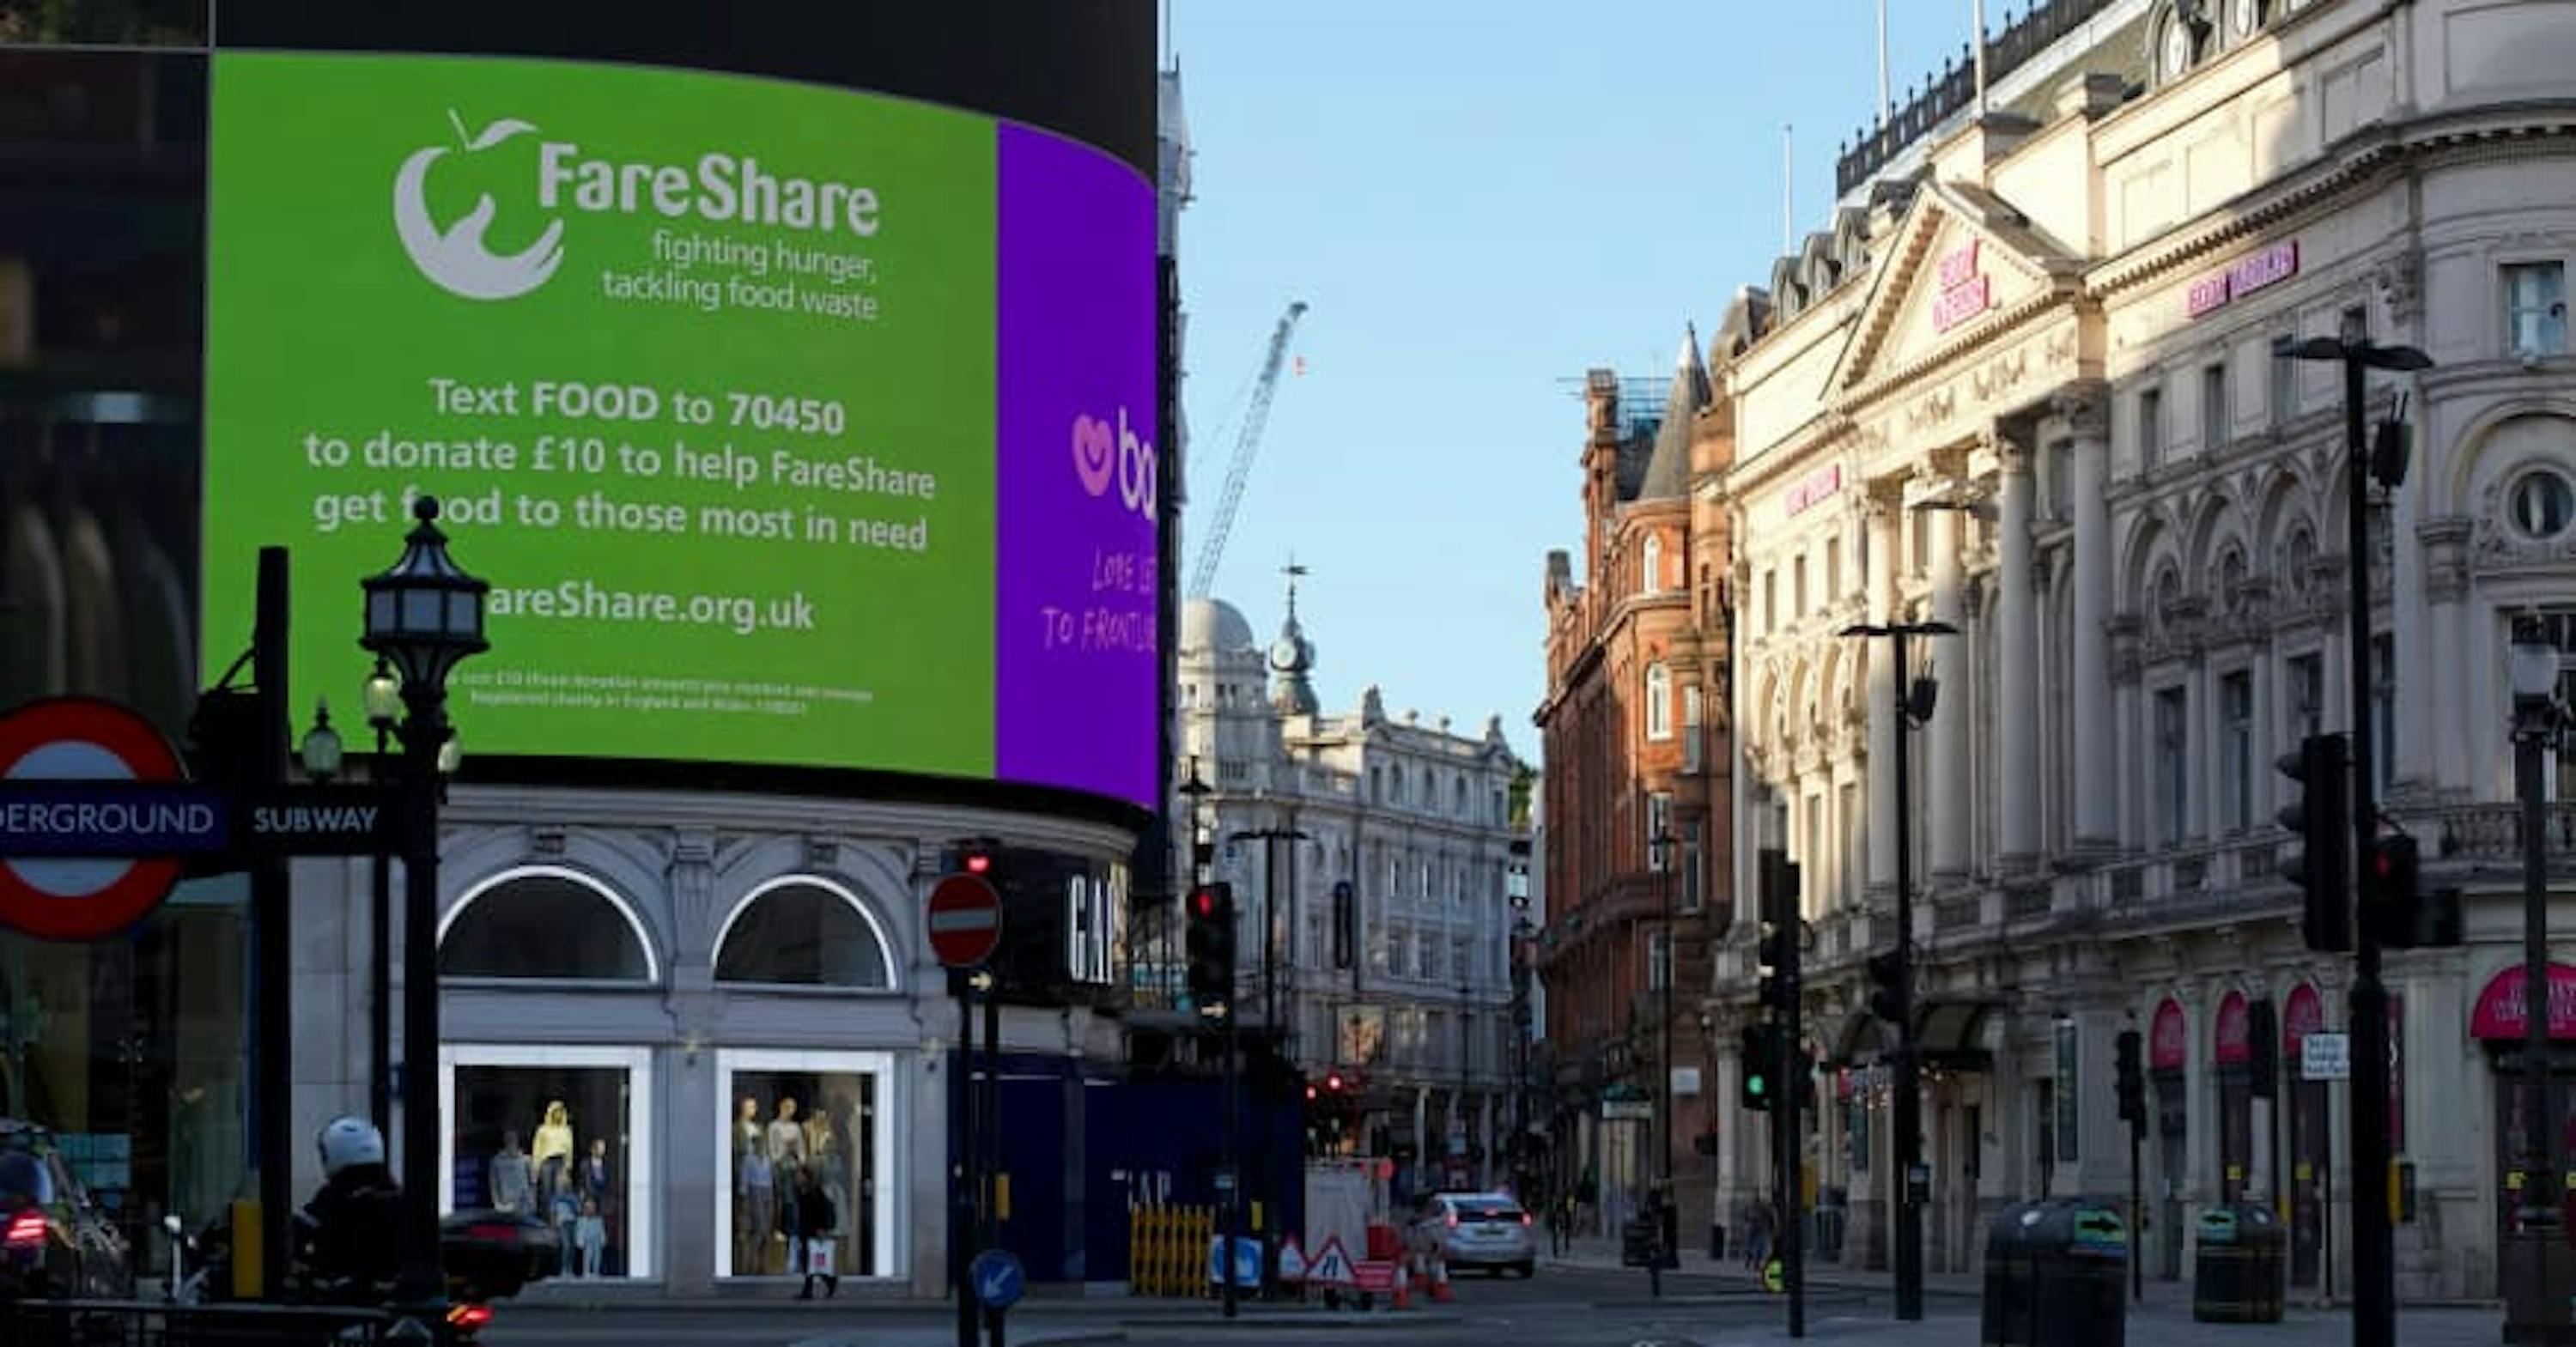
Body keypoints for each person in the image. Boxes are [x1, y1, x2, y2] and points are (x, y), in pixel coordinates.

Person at [302, 1117, 404, 1298]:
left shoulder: (333, 1196)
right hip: (391, 1296)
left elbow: (302, 1228)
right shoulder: (396, 1193)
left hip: (350, 1298)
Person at [793, 1164, 839, 1300]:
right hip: (806, 1230)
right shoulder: (801, 1191)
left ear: (806, 1177)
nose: (797, 1178)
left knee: (811, 1261)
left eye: (799, 1175)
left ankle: (824, 1283)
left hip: (814, 1230)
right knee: (810, 1261)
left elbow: (821, 1210)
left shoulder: (814, 1191)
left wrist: (822, 1229)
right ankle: (824, 1283)